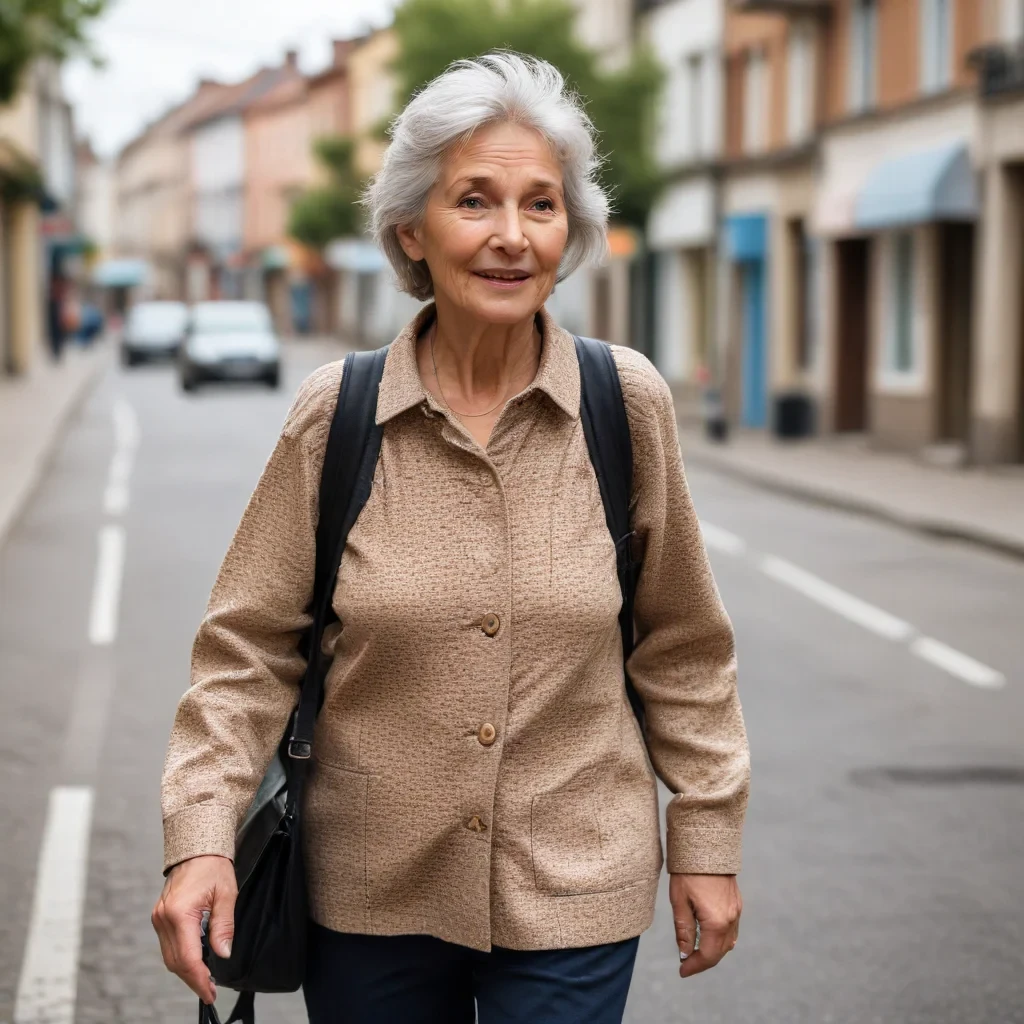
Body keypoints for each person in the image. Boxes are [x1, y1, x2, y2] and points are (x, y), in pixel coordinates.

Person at [153, 53, 749, 1024]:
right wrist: (203, 836)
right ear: (410, 230)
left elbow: (683, 648)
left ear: (571, 228)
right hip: (368, 892)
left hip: (574, 885)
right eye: (474, 201)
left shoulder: (623, 404)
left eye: (541, 204)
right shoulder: (336, 414)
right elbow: (246, 652)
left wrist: (707, 840)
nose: (512, 236)